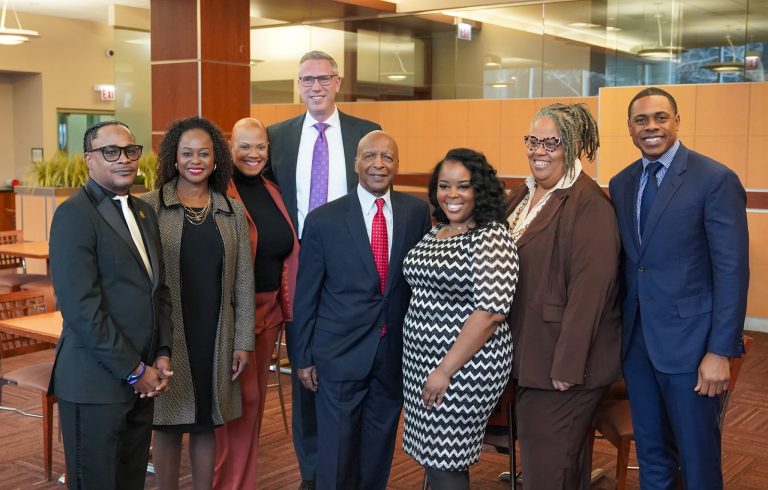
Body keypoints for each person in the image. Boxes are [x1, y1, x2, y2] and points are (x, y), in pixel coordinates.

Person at [609, 87, 749, 489]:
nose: (651, 127)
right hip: (638, 346)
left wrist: (720, 351)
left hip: (693, 349)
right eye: (641, 120)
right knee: (652, 456)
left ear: (677, 121)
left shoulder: (714, 179)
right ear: (631, 130)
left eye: (660, 117)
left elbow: (732, 271)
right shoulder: (622, 183)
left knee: (697, 459)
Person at [265, 49, 381, 489]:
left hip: (356, 264)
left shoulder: (365, 133)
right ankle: (313, 475)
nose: (314, 86)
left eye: (322, 78)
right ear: (298, 85)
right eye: (305, 79)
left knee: (351, 371)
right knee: (304, 369)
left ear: (338, 82)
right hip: (300, 264)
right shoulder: (278, 136)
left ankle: (350, 470)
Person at [290, 130, 431, 490]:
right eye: (370, 156)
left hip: (393, 354)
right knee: (336, 453)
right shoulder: (324, 220)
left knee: (377, 450)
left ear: (397, 165)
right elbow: (305, 296)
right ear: (356, 163)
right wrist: (302, 357)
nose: (378, 164)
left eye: (387, 157)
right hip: (338, 354)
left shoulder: (416, 213)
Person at [49, 120, 172, 489]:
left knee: (130, 480)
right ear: (89, 159)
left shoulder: (144, 211)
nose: (123, 159)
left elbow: (159, 290)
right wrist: (134, 370)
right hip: (95, 385)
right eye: (110, 152)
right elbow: (82, 309)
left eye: (130, 151)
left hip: (142, 382)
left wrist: (162, 353)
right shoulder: (74, 215)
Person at [505, 103, 622, 489]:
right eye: (533, 140)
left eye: (550, 143)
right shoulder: (523, 195)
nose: (539, 150)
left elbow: (592, 293)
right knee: (560, 466)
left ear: (570, 146)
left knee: (545, 471)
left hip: (562, 366)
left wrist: (567, 367)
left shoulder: (588, 204)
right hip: (529, 353)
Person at [140, 116, 255, 490]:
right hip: (168, 332)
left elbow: (243, 281)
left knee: (207, 419)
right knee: (168, 422)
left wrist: (242, 341)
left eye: (204, 153)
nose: (195, 160)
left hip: (216, 330)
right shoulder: (149, 206)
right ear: (173, 159)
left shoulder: (231, 209)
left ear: (216, 159)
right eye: (187, 153)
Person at [402, 148, 518, 490]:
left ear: (479, 190)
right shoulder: (438, 231)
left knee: (446, 459)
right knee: (433, 456)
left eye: (463, 186)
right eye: (444, 185)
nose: (452, 194)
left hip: (463, 367)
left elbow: (489, 313)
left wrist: (444, 370)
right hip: (423, 364)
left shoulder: (491, 236)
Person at [213, 117, 299, 489]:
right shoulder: (217, 191)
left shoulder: (273, 189)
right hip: (228, 317)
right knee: (231, 408)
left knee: (252, 409)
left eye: (260, 146)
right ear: (230, 147)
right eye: (244, 146)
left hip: (270, 314)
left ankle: (241, 483)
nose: (253, 154)